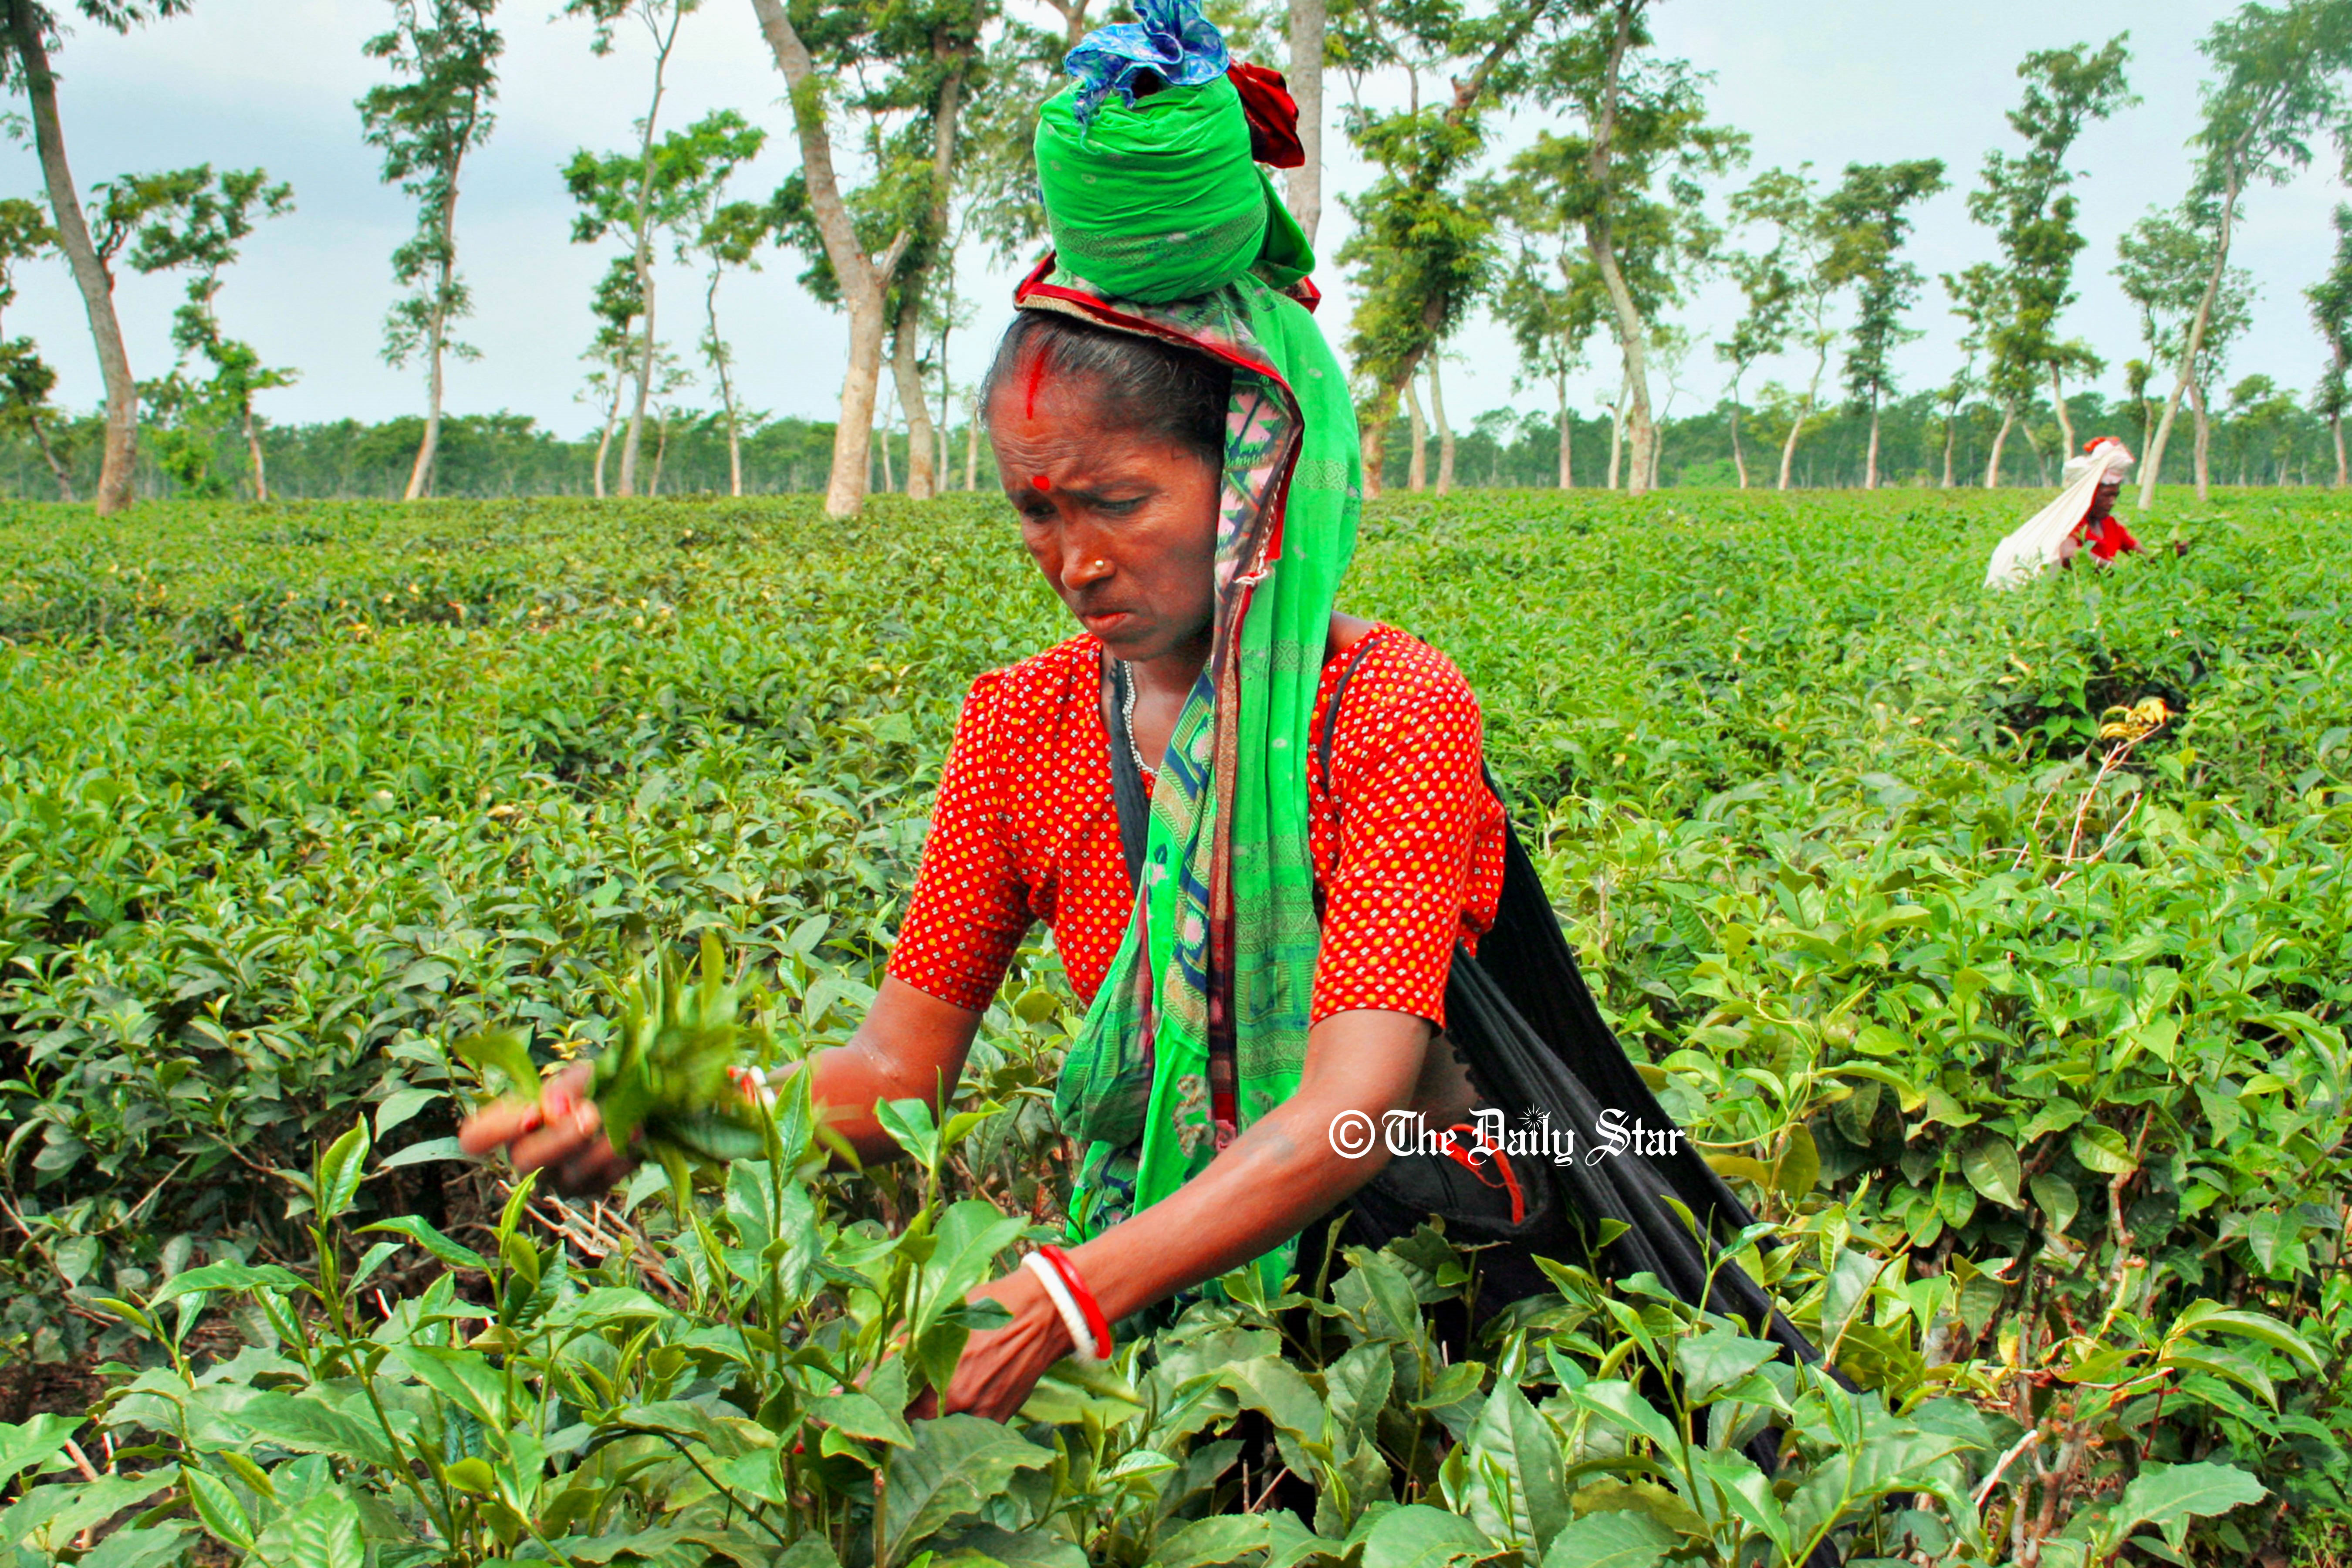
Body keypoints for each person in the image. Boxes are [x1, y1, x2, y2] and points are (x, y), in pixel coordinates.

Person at [463, 0, 1811, 1426]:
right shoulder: (1019, 730)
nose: (1074, 561)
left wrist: (1067, 1295)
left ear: (1247, 476)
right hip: (1164, 1301)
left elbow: (1352, 1115)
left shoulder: (1389, 711)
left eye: (1117, 503)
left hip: (1429, 1299)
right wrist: (679, 1100)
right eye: (1035, 511)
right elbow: (891, 1072)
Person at [1984, 436, 2142, 588]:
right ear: (2089, 494)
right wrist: (2111, 567)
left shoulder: (2110, 526)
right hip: (2066, 594)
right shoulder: (2073, 523)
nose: (2112, 502)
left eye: (2115, 496)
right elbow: (2070, 552)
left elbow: (2142, 553)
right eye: (2107, 496)